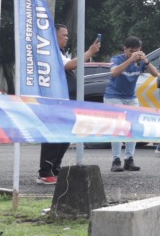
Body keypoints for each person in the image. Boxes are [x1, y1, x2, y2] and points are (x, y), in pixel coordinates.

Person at [37, 25, 99, 184]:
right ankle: (45, 172)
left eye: (67, 35)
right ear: (53, 36)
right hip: (56, 102)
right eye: (63, 35)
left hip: (67, 101)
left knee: (64, 136)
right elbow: (69, 65)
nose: (66, 38)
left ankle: (55, 168)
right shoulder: (50, 52)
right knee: (54, 137)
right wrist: (90, 52)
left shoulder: (61, 52)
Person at [104, 37, 151, 172]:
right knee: (118, 128)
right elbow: (114, 72)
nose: (134, 53)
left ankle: (129, 159)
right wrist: (130, 59)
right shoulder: (117, 59)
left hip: (130, 97)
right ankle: (116, 160)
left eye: (137, 51)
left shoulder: (141, 61)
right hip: (114, 96)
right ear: (125, 49)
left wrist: (145, 60)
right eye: (131, 51)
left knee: (133, 128)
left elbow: (155, 74)